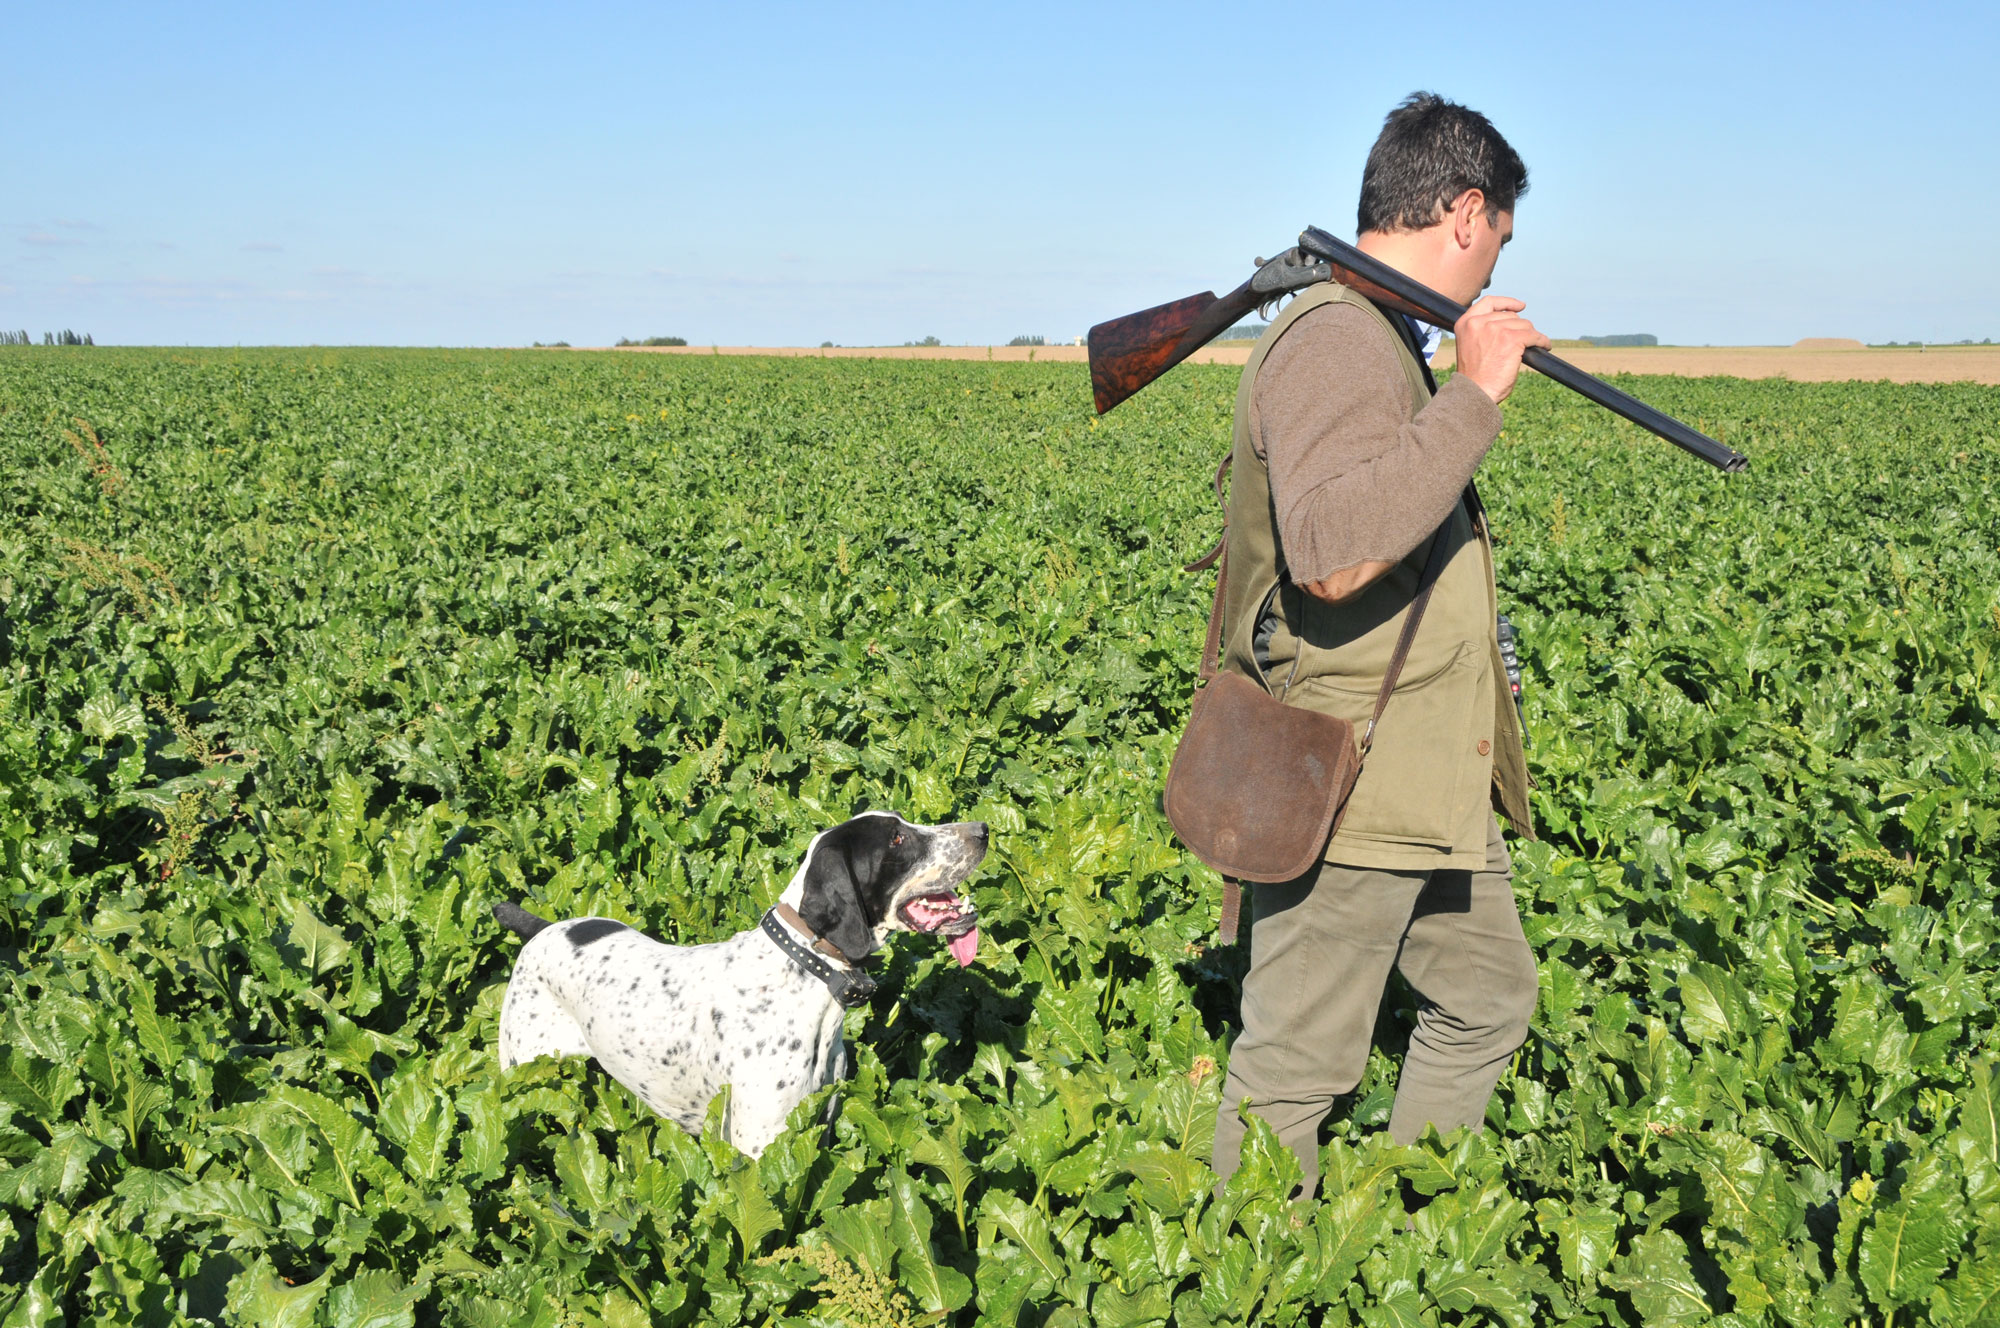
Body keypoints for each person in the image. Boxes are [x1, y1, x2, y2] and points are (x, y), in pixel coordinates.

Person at [1208, 92, 1549, 1196]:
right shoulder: (1337, 337)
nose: (1487, 278)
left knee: (1489, 995)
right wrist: (1473, 396)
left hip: (1420, 777)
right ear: (1461, 212)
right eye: (1492, 245)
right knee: (1289, 1076)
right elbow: (1334, 550)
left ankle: (1397, 1243)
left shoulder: (1369, 329)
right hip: (1353, 775)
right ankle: (1251, 1284)